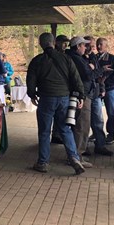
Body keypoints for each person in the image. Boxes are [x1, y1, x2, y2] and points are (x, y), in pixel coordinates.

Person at [26, 33, 86, 175]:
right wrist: (81, 95)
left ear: (41, 44)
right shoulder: (66, 58)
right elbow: (75, 77)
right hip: (64, 98)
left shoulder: (37, 60)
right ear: (54, 43)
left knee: (45, 132)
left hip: (46, 98)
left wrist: (32, 94)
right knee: (65, 129)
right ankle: (74, 158)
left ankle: (43, 162)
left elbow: (31, 80)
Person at [65, 36, 95, 166]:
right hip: (81, 95)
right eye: (84, 45)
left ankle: (75, 154)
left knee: (76, 125)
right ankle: (77, 156)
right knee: (82, 126)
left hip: (77, 95)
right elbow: (87, 75)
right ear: (78, 46)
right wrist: (95, 69)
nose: (86, 48)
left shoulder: (72, 57)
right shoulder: (76, 59)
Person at [96, 38, 114, 144]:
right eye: (97, 44)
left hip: (109, 89)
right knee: (96, 113)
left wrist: (105, 82)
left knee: (110, 112)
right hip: (96, 89)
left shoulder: (112, 59)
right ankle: (96, 132)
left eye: (101, 44)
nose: (99, 46)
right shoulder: (94, 58)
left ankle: (111, 134)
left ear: (106, 46)